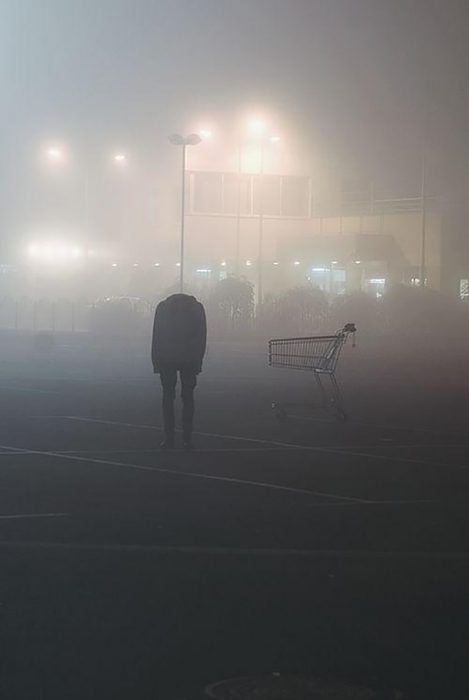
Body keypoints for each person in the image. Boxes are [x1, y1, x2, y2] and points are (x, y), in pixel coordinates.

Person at [151, 293, 207, 450]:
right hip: (189, 357)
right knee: (188, 397)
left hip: (167, 357)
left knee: (168, 397)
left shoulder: (162, 308)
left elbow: (156, 336)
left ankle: (169, 437)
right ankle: (187, 438)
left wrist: (156, 361)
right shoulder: (197, 309)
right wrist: (198, 360)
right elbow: (202, 336)